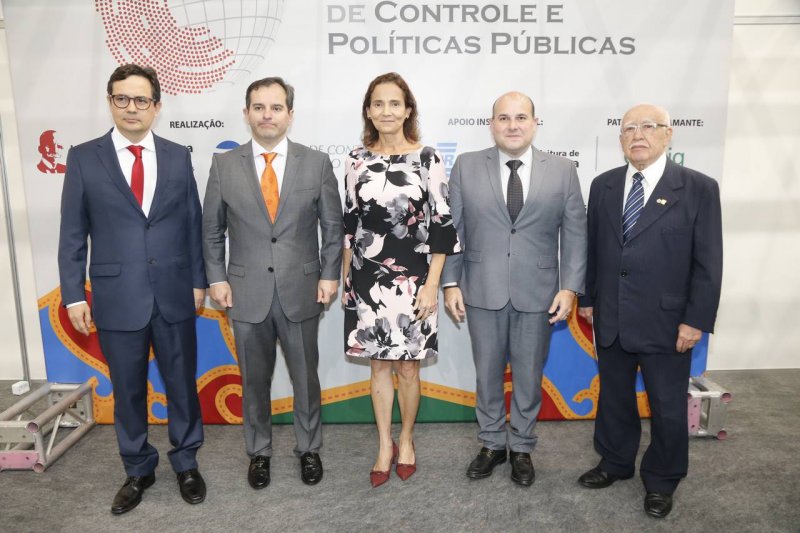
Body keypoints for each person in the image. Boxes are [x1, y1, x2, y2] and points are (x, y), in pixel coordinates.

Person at [58, 64, 207, 514]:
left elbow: (193, 226)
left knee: (182, 385)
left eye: (141, 100)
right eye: (122, 98)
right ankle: (138, 468)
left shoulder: (179, 156)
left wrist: (199, 281)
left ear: (157, 107)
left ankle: (186, 462)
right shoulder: (84, 157)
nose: (131, 108)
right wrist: (74, 293)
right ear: (110, 102)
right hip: (116, 296)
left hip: (175, 291)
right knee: (127, 390)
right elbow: (71, 234)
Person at [576, 104, 722, 519]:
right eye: (628, 129)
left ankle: (662, 479)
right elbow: (593, 248)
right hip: (611, 318)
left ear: (668, 134)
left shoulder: (697, 188)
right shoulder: (603, 185)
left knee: (667, 404)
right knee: (614, 398)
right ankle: (615, 462)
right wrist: (587, 299)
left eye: (648, 127)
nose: (637, 135)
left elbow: (709, 263)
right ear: (620, 139)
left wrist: (696, 320)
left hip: (669, 322)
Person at [202, 77, 342, 489]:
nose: (267, 115)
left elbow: (333, 228)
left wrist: (330, 274)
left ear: (290, 115)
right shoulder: (223, 165)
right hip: (244, 293)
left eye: (276, 107)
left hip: (302, 289)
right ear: (246, 114)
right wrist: (216, 278)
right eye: (259, 107)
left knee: (305, 377)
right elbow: (212, 230)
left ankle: (309, 448)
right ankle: (259, 452)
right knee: (253, 382)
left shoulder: (315, 163)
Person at [442, 91, 587, 487]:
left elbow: (575, 233)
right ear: (492, 124)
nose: (512, 125)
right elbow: (453, 229)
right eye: (503, 118)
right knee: (487, 373)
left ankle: (521, 447)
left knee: (528, 373)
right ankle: (491, 444)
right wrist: (450, 281)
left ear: (535, 123)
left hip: (539, 293)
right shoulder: (467, 167)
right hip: (480, 288)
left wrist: (571, 287)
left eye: (521, 117)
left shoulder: (562, 169)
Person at [342, 72, 461, 488]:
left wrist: (433, 284)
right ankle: (383, 445)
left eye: (394, 104)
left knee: (408, 369)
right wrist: (345, 278)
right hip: (367, 278)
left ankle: (407, 440)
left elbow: (443, 226)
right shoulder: (356, 158)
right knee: (378, 366)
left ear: (407, 110)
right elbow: (349, 222)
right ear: (369, 111)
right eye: (378, 104)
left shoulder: (428, 157)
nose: (386, 111)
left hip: (414, 280)